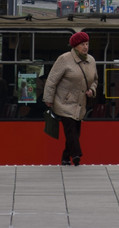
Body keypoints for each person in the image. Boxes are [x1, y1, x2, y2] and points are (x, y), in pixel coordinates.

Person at [43, 31, 97, 166]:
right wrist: (48, 99)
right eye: (82, 44)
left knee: (75, 133)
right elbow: (51, 80)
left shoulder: (91, 60)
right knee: (70, 130)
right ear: (75, 46)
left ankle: (65, 157)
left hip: (80, 103)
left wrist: (92, 90)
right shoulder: (64, 59)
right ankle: (76, 154)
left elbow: (95, 80)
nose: (85, 47)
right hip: (63, 102)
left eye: (87, 44)